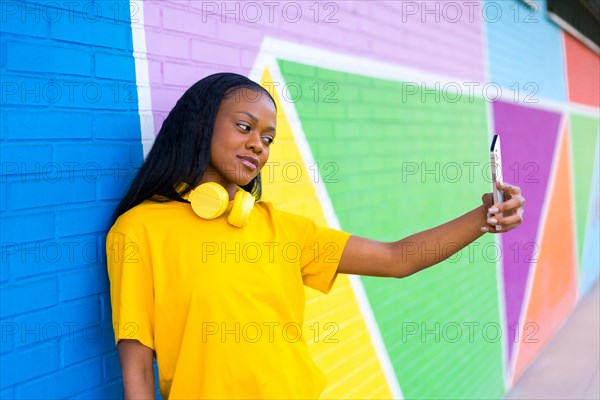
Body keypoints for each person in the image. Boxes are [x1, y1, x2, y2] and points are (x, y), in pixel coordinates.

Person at [106, 73, 525, 399]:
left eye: (268, 139)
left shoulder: (285, 230)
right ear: (200, 125)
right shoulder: (139, 230)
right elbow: (138, 371)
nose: (258, 146)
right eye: (244, 127)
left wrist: (485, 217)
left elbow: (398, 259)